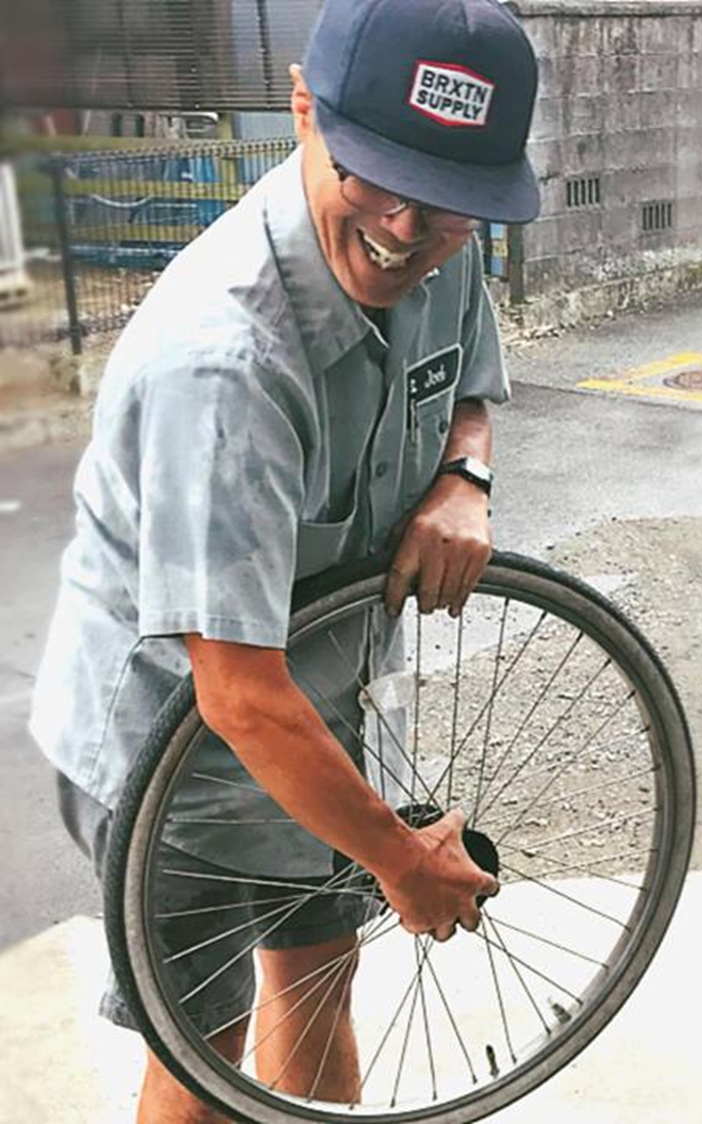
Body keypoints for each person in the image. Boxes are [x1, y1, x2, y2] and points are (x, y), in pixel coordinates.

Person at [27, 0, 541, 1119]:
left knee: (318, 983)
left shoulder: (439, 235)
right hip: (178, 744)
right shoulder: (226, 363)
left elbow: (469, 392)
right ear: (304, 106)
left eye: (450, 202)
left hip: (324, 699)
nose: (406, 228)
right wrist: (404, 864)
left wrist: (466, 476)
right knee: (200, 1065)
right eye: (377, 179)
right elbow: (240, 698)